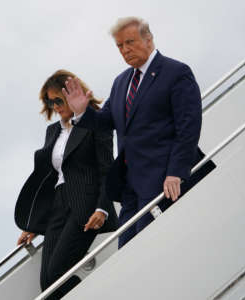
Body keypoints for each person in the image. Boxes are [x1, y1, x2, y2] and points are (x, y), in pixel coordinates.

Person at [63, 17, 216, 248]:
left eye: (130, 42)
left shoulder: (176, 72)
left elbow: (189, 127)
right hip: (131, 187)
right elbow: (107, 121)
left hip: (164, 182)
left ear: (148, 39)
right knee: (127, 252)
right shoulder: (121, 81)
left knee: (150, 251)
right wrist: (83, 113)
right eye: (120, 46)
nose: (125, 50)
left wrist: (176, 172)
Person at [14, 69, 119, 299]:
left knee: (58, 273)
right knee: (47, 284)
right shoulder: (53, 132)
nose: (56, 107)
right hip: (57, 208)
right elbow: (51, 179)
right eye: (50, 102)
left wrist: (102, 207)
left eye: (59, 100)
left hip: (86, 206)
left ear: (72, 95)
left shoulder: (94, 120)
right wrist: (34, 224)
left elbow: (106, 168)